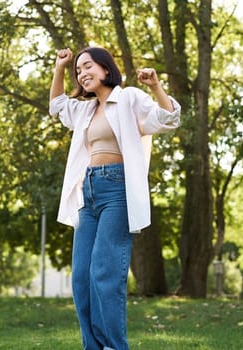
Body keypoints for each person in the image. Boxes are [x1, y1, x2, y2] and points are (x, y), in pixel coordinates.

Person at [49, 46, 181, 350]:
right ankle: (92, 347)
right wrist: (60, 67)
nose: (81, 74)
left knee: (105, 272)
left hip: (117, 191)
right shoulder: (84, 109)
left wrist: (156, 86)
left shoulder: (130, 99)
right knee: (82, 277)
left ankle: (113, 346)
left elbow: (169, 118)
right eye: (78, 70)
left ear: (106, 69)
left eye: (87, 67)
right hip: (89, 192)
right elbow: (57, 105)